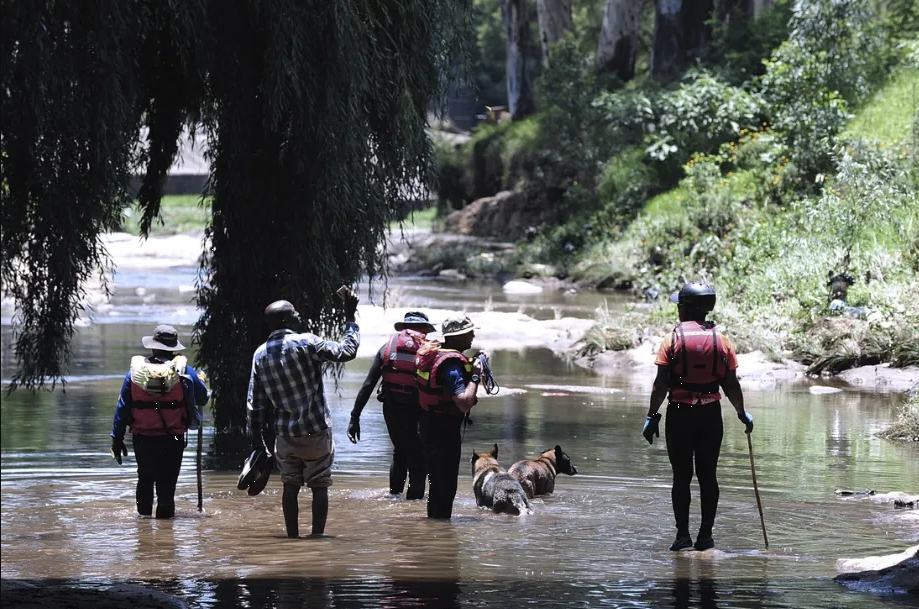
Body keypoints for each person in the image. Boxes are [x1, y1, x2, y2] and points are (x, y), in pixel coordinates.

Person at [643, 282, 753, 551]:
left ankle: (682, 537)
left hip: (680, 415)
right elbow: (731, 384)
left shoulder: (672, 340)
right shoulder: (723, 341)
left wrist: (652, 415)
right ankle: (705, 537)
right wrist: (741, 412)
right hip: (710, 416)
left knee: (681, 476)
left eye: (680, 305)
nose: (678, 310)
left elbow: (661, 384)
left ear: (687, 309)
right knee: (708, 476)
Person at [247, 294, 360, 538]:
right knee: (319, 484)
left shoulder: (260, 354)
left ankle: (292, 539)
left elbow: (255, 404)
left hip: (285, 434)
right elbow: (347, 351)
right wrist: (350, 316)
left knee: (290, 484)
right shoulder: (307, 343)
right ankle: (317, 538)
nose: (300, 315)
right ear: (286, 319)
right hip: (316, 430)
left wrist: (258, 441)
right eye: (296, 313)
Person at [110, 324, 210, 519]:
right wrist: (199, 381)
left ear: (153, 347)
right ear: (173, 348)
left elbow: (122, 407)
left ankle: (143, 528)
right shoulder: (184, 372)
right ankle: (166, 535)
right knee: (167, 487)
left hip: (142, 438)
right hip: (172, 439)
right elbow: (203, 399)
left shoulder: (135, 373)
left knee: (145, 479)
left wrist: (116, 438)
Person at [348, 311, 435, 499]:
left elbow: (368, 385)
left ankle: (394, 498)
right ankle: (413, 507)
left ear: (404, 329)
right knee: (418, 458)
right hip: (417, 410)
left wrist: (354, 417)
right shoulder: (429, 351)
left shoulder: (386, 348)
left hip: (392, 408)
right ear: (424, 330)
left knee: (400, 451)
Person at [414, 314, 488, 519]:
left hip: (428, 424)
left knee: (437, 484)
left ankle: (433, 530)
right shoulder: (452, 365)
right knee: (446, 486)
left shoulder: (435, 353)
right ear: (457, 337)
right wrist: (475, 375)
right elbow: (464, 403)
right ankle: (441, 536)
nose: (473, 335)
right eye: (469, 332)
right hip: (443, 430)